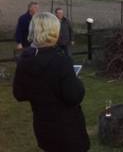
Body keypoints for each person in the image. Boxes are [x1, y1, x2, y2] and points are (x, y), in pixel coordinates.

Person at [13, 12, 90, 152]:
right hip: (66, 129)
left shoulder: (24, 61)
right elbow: (73, 96)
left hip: (43, 126)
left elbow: (19, 94)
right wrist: (77, 82)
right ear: (54, 31)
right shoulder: (61, 61)